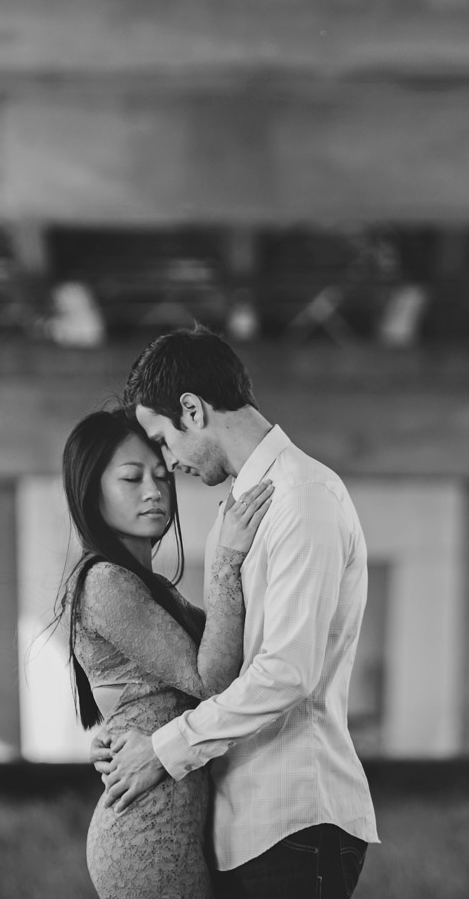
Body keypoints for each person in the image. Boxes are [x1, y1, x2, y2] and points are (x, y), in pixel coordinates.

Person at [95, 327, 379, 899]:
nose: (167, 464)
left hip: (295, 817)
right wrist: (130, 731)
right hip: (247, 821)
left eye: (163, 441)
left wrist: (164, 747)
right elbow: (220, 667)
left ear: (193, 410)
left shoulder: (303, 497)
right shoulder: (248, 506)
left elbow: (287, 673)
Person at [55, 406, 273, 899]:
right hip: (145, 836)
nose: (154, 491)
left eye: (161, 475)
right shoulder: (107, 582)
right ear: (91, 491)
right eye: (131, 478)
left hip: (171, 828)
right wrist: (227, 559)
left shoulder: (150, 588)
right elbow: (213, 682)